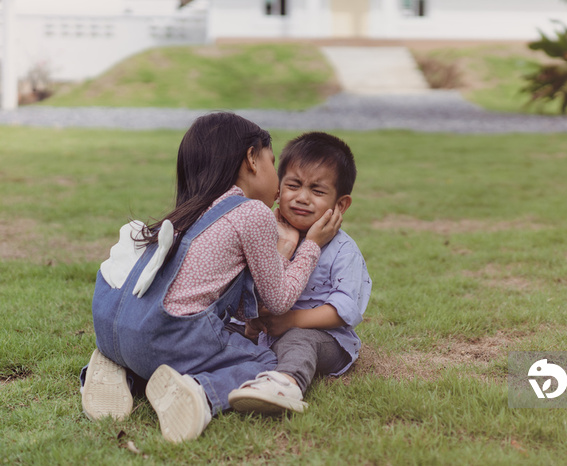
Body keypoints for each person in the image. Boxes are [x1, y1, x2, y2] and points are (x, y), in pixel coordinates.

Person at [80, 113, 342, 442]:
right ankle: (202, 393)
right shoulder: (251, 212)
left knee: (206, 337)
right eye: (272, 163)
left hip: (113, 325)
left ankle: (121, 369)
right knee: (267, 361)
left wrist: (284, 247)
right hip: (163, 339)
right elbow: (277, 300)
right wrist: (311, 247)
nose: (278, 182)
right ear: (251, 158)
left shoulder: (192, 208)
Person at [227, 132, 371, 414]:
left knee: (298, 341)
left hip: (324, 337)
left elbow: (344, 309)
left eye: (317, 191)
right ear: (279, 188)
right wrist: (251, 319)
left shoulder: (343, 250)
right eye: (294, 185)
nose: (302, 198)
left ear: (340, 205)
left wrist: (291, 321)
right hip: (269, 330)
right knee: (222, 328)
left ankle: (286, 384)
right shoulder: (265, 232)